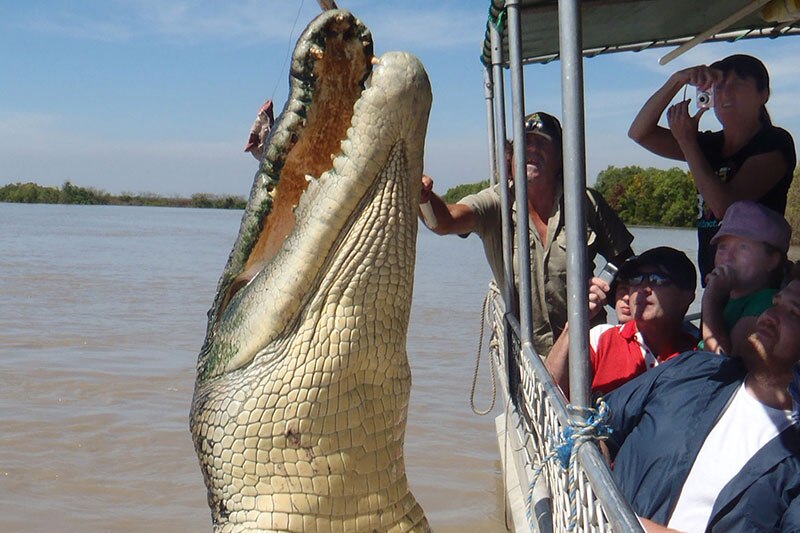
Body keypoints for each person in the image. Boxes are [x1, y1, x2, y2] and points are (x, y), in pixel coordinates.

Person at [420, 111, 634, 357]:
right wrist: (423, 198)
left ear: (561, 158)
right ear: (510, 160)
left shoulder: (585, 202)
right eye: (525, 143)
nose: (532, 149)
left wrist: (608, 288)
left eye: (542, 142)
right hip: (527, 358)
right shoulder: (496, 203)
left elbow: (626, 261)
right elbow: (443, 221)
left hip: (587, 347)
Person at [604, 279, 800, 532]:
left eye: (793, 312)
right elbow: (599, 425)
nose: (769, 316)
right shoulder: (692, 370)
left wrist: (631, 526)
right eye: (774, 304)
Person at [628, 54, 796, 281]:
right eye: (718, 86)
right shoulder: (709, 146)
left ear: (763, 95)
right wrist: (676, 80)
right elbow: (639, 133)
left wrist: (687, 141)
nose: (725, 92)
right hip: (716, 278)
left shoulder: (774, 142)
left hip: (758, 284)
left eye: (737, 83)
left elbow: (726, 208)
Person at [545, 247, 698, 398]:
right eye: (636, 279)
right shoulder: (600, 339)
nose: (642, 288)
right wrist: (574, 322)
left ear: (686, 297)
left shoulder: (698, 352)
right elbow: (547, 392)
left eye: (657, 279)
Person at [702, 200, 791, 355]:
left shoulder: (766, 303)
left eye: (743, 247)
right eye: (722, 247)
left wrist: (710, 299)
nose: (728, 257)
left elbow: (721, 363)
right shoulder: (727, 298)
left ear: (772, 261)